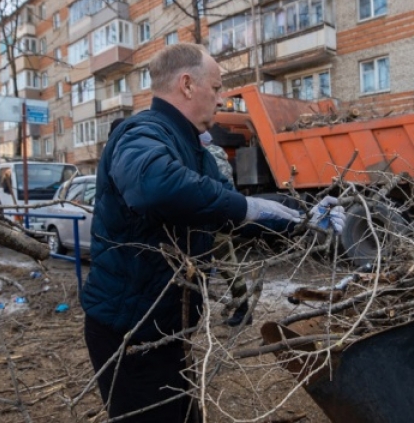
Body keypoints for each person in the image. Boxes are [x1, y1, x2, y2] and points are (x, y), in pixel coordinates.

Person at [80, 43, 301, 422]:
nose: (220, 98)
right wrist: (248, 208)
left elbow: (222, 208)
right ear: (186, 84)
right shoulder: (142, 132)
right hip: (130, 332)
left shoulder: (190, 145)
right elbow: (154, 187)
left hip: (165, 326)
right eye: (215, 88)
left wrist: (300, 214)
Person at [199, 130, 252, 327]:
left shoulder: (207, 157)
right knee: (223, 265)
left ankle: (243, 310)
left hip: (215, 219)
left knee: (225, 265)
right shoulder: (219, 154)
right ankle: (242, 309)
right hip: (222, 217)